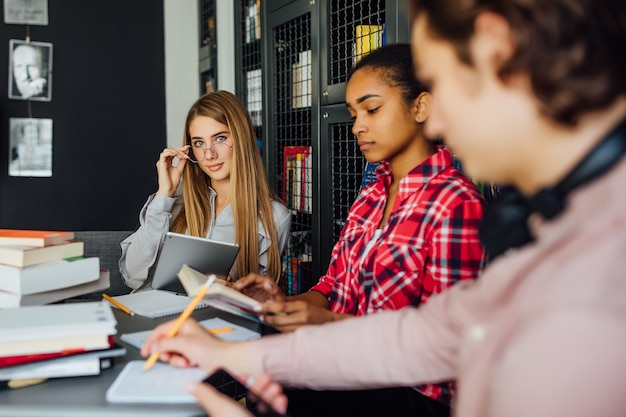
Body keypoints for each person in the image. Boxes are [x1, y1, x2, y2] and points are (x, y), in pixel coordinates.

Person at [142, 0, 626, 416]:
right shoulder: (557, 222)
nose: (434, 113)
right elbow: (430, 333)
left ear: (494, 49)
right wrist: (247, 359)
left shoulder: (591, 295)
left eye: (437, 82)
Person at [234, 43, 487, 416]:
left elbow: (445, 345)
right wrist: (285, 304)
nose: (358, 126)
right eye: (353, 113)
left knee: (278, 391)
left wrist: (332, 325)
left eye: (372, 109)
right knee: (265, 381)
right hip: (350, 366)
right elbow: (334, 284)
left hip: (414, 392)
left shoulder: (455, 202)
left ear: (421, 107)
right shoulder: (372, 190)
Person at [119, 91, 291, 290]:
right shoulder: (173, 201)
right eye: (199, 143)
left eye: (220, 138)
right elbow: (131, 276)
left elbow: (260, 299)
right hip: (145, 311)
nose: (209, 154)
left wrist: (231, 290)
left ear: (241, 138)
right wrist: (164, 194)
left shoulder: (273, 217)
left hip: (208, 318)